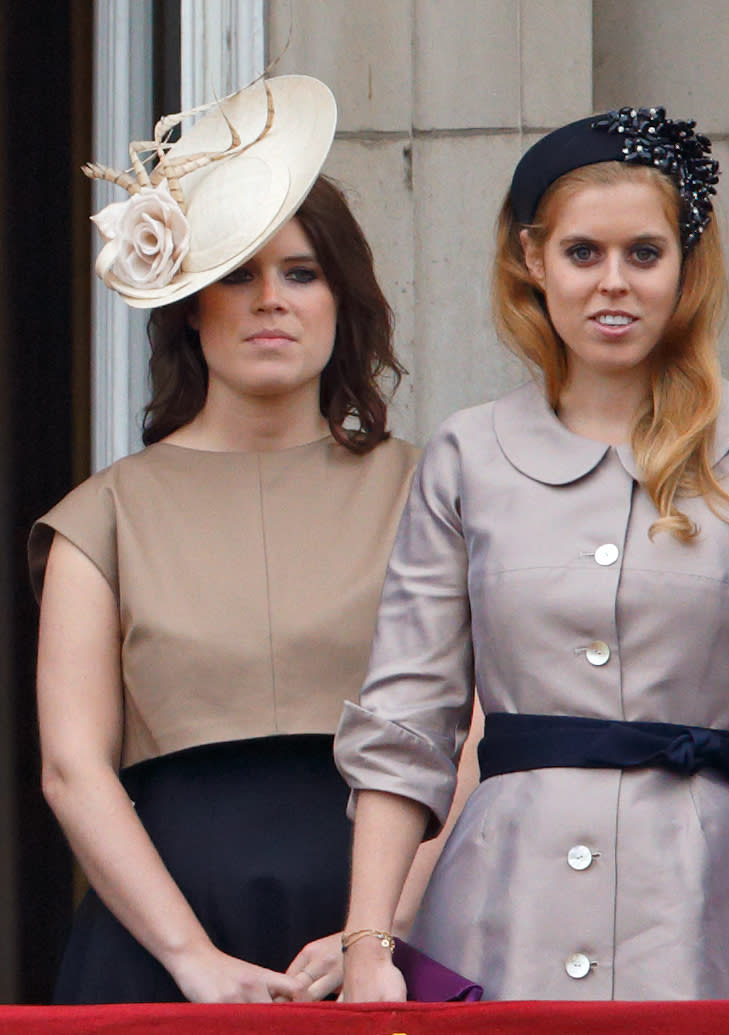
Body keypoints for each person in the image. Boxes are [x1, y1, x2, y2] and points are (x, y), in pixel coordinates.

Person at [334, 106, 729, 1002]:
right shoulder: (466, 454)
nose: (613, 283)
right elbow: (405, 723)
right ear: (531, 260)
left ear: (685, 264)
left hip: (707, 909)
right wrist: (367, 947)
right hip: (498, 908)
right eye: (583, 253)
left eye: (644, 253)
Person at [30, 75, 425, 1004]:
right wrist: (188, 959)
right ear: (190, 302)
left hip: (387, 932)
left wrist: (380, 933)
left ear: (342, 297)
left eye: (300, 272)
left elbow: (473, 743)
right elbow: (71, 766)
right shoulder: (105, 513)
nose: (271, 301)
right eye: (238, 274)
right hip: (163, 936)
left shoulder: (429, 491)